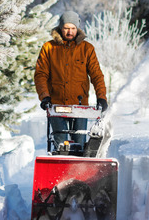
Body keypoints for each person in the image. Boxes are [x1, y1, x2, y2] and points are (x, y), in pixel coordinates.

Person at [34, 11, 108, 146]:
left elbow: (96, 75)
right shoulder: (49, 48)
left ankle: (79, 166)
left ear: (77, 28)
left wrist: (101, 97)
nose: (70, 32)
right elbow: (41, 75)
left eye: (73, 28)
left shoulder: (87, 49)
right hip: (56, 104)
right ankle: (60, 165)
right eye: (66, 28)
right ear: (60, 28)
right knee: (61, 143)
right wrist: (45, 97)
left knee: (79, 142)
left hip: (80, 105)